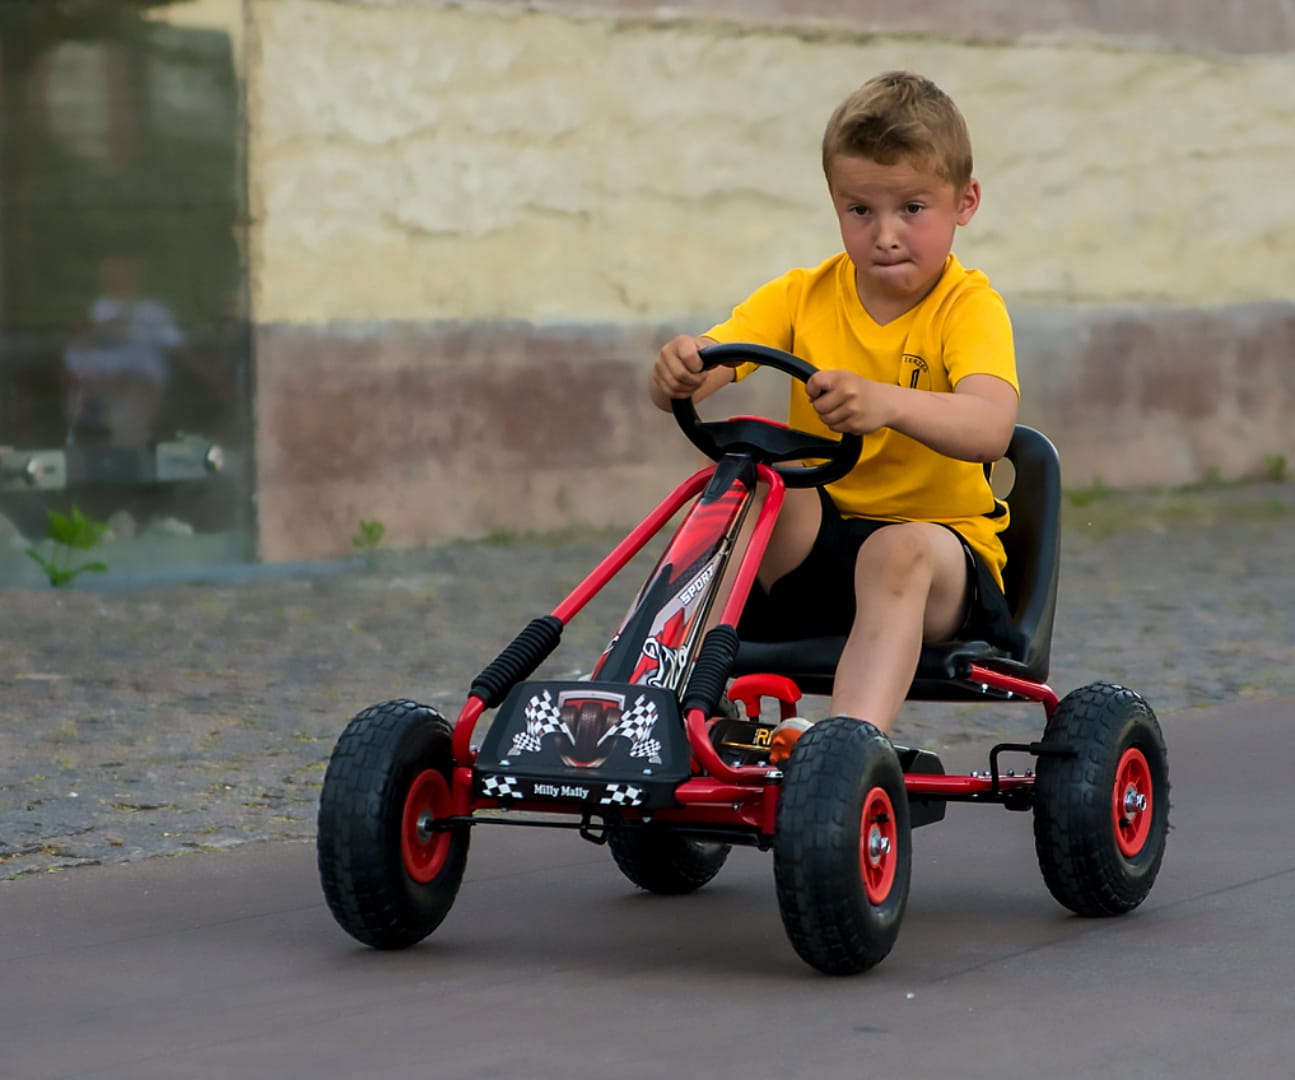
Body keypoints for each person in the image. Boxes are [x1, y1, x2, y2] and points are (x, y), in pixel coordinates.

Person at [649, 70, 1020, 763]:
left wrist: (887, 403)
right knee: (740, 483)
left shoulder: (968, 308)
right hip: (819, 552)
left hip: (936, 560)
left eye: (912, 208)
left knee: (896, 551)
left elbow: (990, 428)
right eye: (860, 210)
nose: (885, 235)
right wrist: (681, 369)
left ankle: (846, 750)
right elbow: (713, 361)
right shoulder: (802, 296)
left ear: (964, 202)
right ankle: (672, 700)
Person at [63, 252, 184, 447]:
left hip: (138, 389)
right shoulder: (97, 311)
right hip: (99, 394)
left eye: (119, 272)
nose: (112, 277)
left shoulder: (152, 312)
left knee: (131, 404)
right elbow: (76, 371)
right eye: (108, 272)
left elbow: (178, 349)